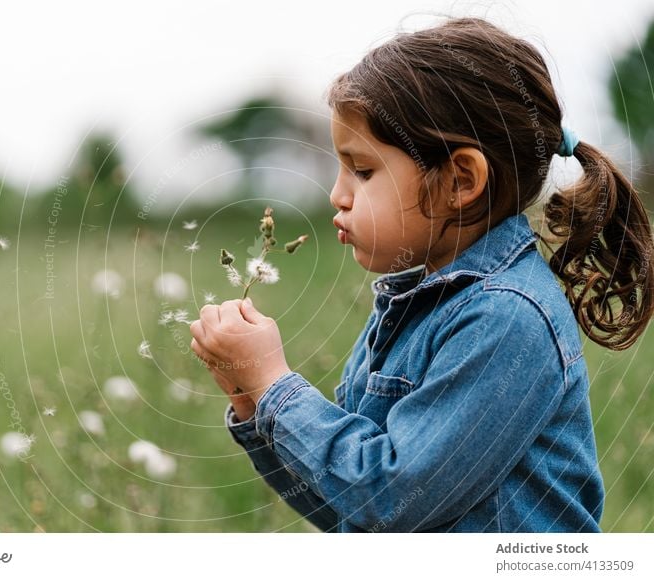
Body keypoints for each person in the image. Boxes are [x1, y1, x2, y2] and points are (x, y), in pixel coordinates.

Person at [189, 16, 654, 532]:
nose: (337, 195)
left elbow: (393, 499)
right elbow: (349, 504)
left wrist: (275, 385)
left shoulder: (507, 319)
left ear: (460, 181)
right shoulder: (412, 307)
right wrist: (255, 406)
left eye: (363, 171)